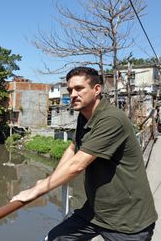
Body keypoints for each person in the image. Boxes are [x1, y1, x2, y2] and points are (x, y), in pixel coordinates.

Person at [11, 67, 157, 240]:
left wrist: (36, 190)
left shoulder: (112, 119)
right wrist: (51, 178)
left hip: (127, 219)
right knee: (56, 237)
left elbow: (77, 164)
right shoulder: (85, 115)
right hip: (92, 212)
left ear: (96, 89)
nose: (73, 94)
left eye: (79, 88)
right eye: (70, 90)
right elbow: (73, 148)